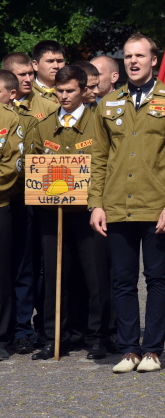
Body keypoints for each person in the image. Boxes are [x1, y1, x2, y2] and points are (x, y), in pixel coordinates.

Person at [89, 33, 165, 373]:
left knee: (156, 279)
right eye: (128, 56)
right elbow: (98, 158)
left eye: (140, 55)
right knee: (122, 281)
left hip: (156, 207)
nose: (133, 61)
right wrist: (96, 203)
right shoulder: (108, 104)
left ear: (153, 60)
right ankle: (129, 349)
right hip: (117, 205)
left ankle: (152, 350)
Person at [26, 66, 111, 361]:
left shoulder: (98, 123)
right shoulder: (44, 125)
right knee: (55, 276)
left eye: (70, 91)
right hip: (53, 212)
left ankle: (98, 336)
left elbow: (106, 163)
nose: (64, 96)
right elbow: (33, 162)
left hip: (89, 211)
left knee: (95, 275)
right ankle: (55, 337)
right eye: (59, 91)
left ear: (84, 91)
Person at [1, 52, 57, 355]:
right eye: (20, 75)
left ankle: (24, 328)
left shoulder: (46, 106)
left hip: (31, 195)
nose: (27, 79)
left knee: (29, 265)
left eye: (29, 74)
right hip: (5, 198)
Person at [0, 70, 25, 361]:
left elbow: (11, 166)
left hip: (1, 205)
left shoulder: (9, 119)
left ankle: (2, 336)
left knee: (2, 274)